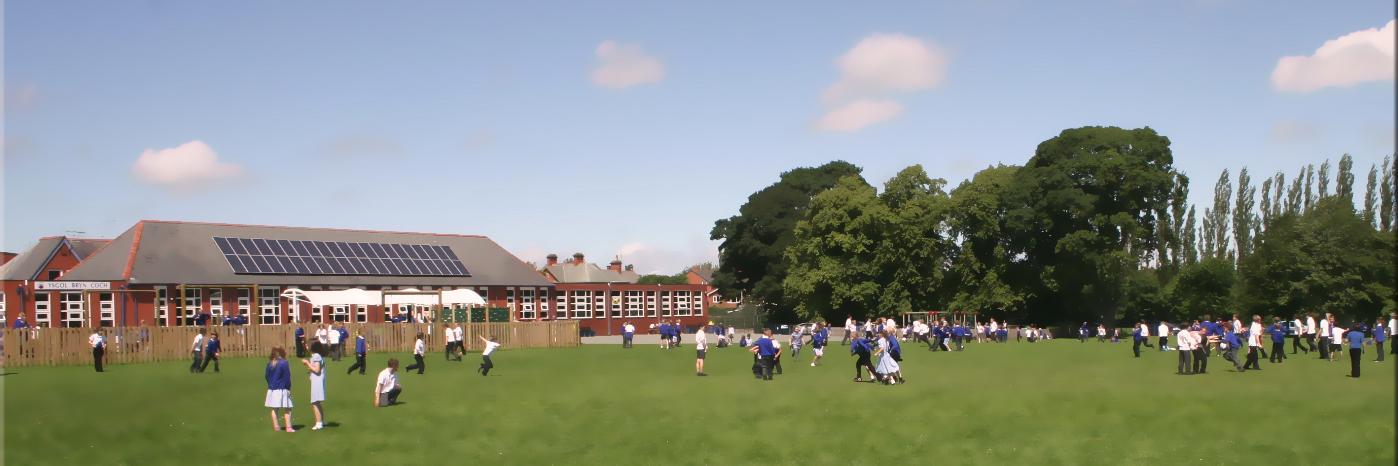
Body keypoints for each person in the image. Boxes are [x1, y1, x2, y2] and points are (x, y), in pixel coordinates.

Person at [264, 346, 294, 432]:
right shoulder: (284, 363)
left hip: (272, 389)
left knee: (274, 409)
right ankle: (288, 427)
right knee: (287, 408)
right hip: (282, 388)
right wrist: (288, 387)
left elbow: (266, 376)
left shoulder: (269, 364)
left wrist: (270, 384)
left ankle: (276, 427)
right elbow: (287, 377)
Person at [301, 342, 327, 430]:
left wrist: (307, 363)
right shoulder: (317, 356)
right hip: (317, 381)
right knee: (317, 402)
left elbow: (317, 370)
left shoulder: (316, 356)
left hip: (317, 382)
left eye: (308, 345)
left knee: (315, 402)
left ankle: (319, 423)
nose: (306, 346)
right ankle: (321, 421)